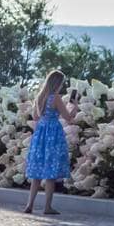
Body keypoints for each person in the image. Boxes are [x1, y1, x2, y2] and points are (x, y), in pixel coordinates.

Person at [23, 69, 78, 216]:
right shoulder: (56, 98)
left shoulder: (40, 97)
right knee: (50, 172)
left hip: (40, 132)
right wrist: (75, 107)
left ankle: (30, 204)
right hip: (53, 133)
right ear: (58, 83)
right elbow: (68, 118)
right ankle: (47, 207)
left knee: (37, 171)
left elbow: (35, 117)